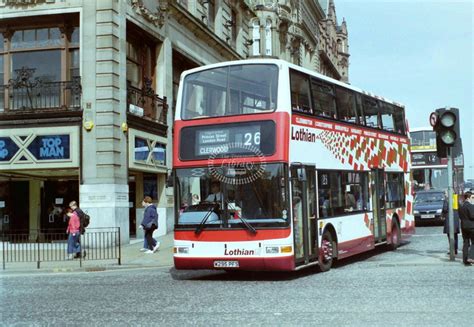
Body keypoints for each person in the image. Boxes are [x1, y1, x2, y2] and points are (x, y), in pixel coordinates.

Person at [459, 191, 474, 265]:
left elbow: (460, 216)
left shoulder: (461, 206)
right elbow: (472, 216)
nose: (473, 199)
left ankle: (465, 260)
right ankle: (471, 257)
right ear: (468, 198)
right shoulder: (471, 206)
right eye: (472, 197)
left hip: (464, 227)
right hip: (472, 227)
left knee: (466, 243)